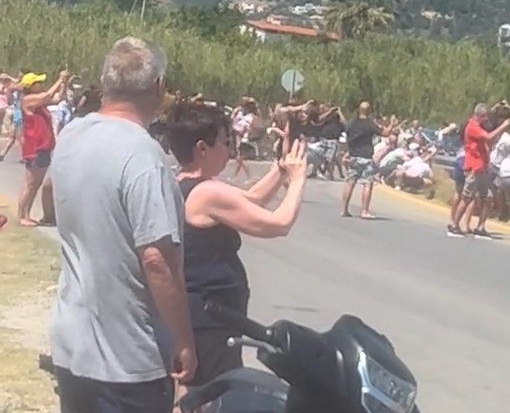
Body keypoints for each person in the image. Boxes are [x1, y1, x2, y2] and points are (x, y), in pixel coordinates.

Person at [50, 37, 197, 413]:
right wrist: (183, 340)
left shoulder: (72, 135)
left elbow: (50, 194)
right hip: (128, 358)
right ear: (158, 88)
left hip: (71, 344)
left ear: (106, 82)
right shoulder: (144, 156)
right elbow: (156, 260)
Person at [167, 102, 307, 387]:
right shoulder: (207, 192)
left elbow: (251, 199)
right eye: (225, 142)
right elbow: (278, 223)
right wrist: (297, 180)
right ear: (202, 148)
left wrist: (280, 169)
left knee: (197, 396)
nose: (230, 151)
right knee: (212, 394)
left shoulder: (188, 184)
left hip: (205, 314)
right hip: (210, 319)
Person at [448, 103, 510, 239]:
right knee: (467, 197)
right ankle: (454, 225)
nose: (487, 119)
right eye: (485, 117)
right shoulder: (473, 127)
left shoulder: (479, 127)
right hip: (474, 167)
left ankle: (480, 227)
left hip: (482, 166)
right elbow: (489, 137)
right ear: (480, 116)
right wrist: (503, 127)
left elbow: (490, 139)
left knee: (487, 197)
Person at [18, 70, 68, 227]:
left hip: (43, 147)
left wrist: (64, 83)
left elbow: (57, 98)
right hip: (35, 147)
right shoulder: (28, 99)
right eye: (38, 82)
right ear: (30, 87)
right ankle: (22, 215)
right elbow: (46, 96)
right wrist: (59, 79)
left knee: (36, 183)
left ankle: (27, 213)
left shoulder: (38, 103)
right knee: (31, 183)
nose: (41, 84)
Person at [341, 101, 391, 219]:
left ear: (359, 109)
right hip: (366, 156)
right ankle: (364, 211)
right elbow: (385, 133)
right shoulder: (370, 124)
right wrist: (392, 124)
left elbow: (346, 130)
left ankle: (344, 210)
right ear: (369, 111)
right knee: (367, 184)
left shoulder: (352, 123)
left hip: (353, 156)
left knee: (350, 182)